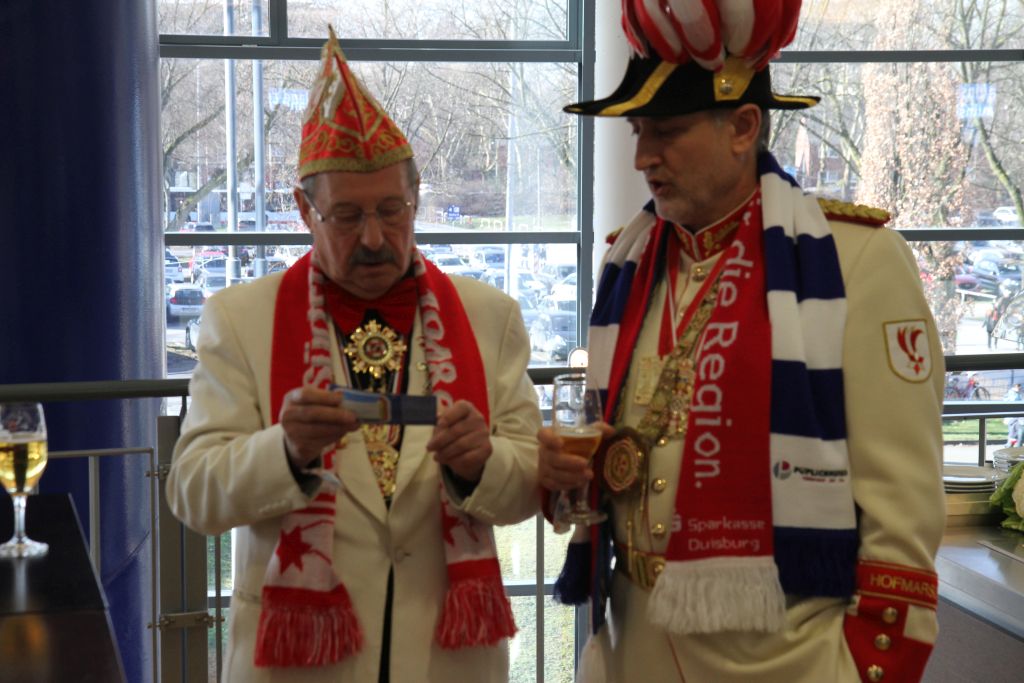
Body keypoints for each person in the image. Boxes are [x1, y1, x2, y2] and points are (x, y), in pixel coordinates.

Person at [537, 4, 945, 682]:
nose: (642, 157)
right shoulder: (630, 263)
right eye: (638, 131)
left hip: (786, 663)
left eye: (667, 131)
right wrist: (568, 476)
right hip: (632, 648)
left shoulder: (854, 263)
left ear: (744, 127)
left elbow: (901, 523)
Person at [166, 28, 540, 683]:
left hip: (447, 661)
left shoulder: (492, 317)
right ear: (303, 210)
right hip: (300, 667)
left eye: (393, 211)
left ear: (416, 200)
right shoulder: (240, 320)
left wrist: (483, 464)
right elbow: (192, 492)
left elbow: (532, 482)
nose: (374, 237)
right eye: (346, 216)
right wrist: (285, 451)